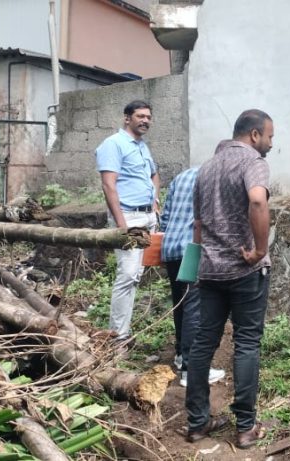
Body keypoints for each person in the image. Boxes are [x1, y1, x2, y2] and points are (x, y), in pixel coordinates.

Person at [185, 109, 273, 448]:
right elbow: (257, 200)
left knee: (203, 343)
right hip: (245, 270)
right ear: (254, 135)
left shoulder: (206, 168)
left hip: (210, 271)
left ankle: (197, 424)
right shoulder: (252, 161)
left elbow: (197, 225)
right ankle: (246, 428)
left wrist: (194, 268)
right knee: (247, 342)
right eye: (269, 136)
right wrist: (260, 250)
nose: (270, 144)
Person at [96, 100, 160, 341]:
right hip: (130, 217)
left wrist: (154, 202)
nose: (145, 120)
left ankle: (123, 331)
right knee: (128, 275)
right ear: (127, 118)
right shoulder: (113, 144)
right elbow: (108, 184)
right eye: (140, 116)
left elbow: (154, 175)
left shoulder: (142, 146)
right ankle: (119, 338)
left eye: (148, 117)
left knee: (136, 275)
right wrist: (121, 224)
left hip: (147, 216)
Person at [160, 166, 226, 387]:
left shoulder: (181, 176)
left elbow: (165, 216)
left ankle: (181, 355)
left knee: (180, 303)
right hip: (192, 248)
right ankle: (191, 370)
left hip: (170, 248)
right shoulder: (214, 176)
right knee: (194, 307)